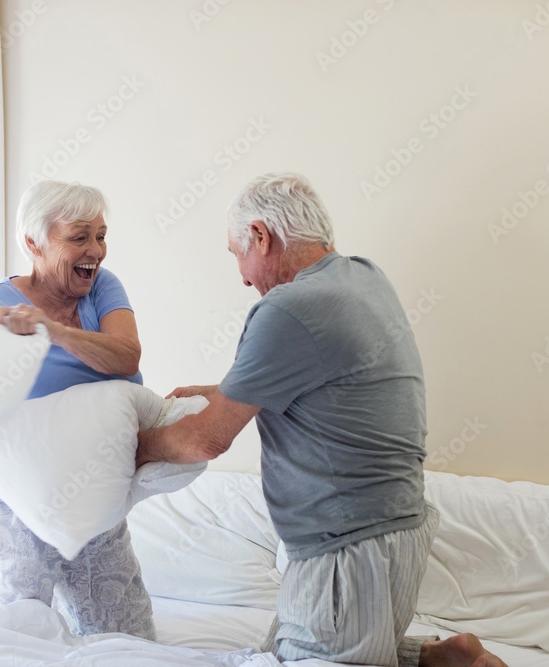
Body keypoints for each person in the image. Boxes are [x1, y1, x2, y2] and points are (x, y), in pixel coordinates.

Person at [136, 173, 507, 667]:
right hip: (398, 533)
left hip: (346, 552)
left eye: (237, 254)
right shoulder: (363, 277)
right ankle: (441, 660)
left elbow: (206, 441)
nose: (244, 278)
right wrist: (221, 394)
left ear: (262, 237)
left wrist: (124, 446)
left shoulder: (287, 308)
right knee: (295, 649)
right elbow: (323, 387)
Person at [0, 179, 155, 640]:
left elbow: (126, 357)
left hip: (91, 498)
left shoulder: (101, 288)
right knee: (10, 643)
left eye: (101, 236)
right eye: (79, 236)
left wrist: (53, 331)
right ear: (33, 243)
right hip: (10, 501)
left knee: (131, 644)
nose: (96, 251)